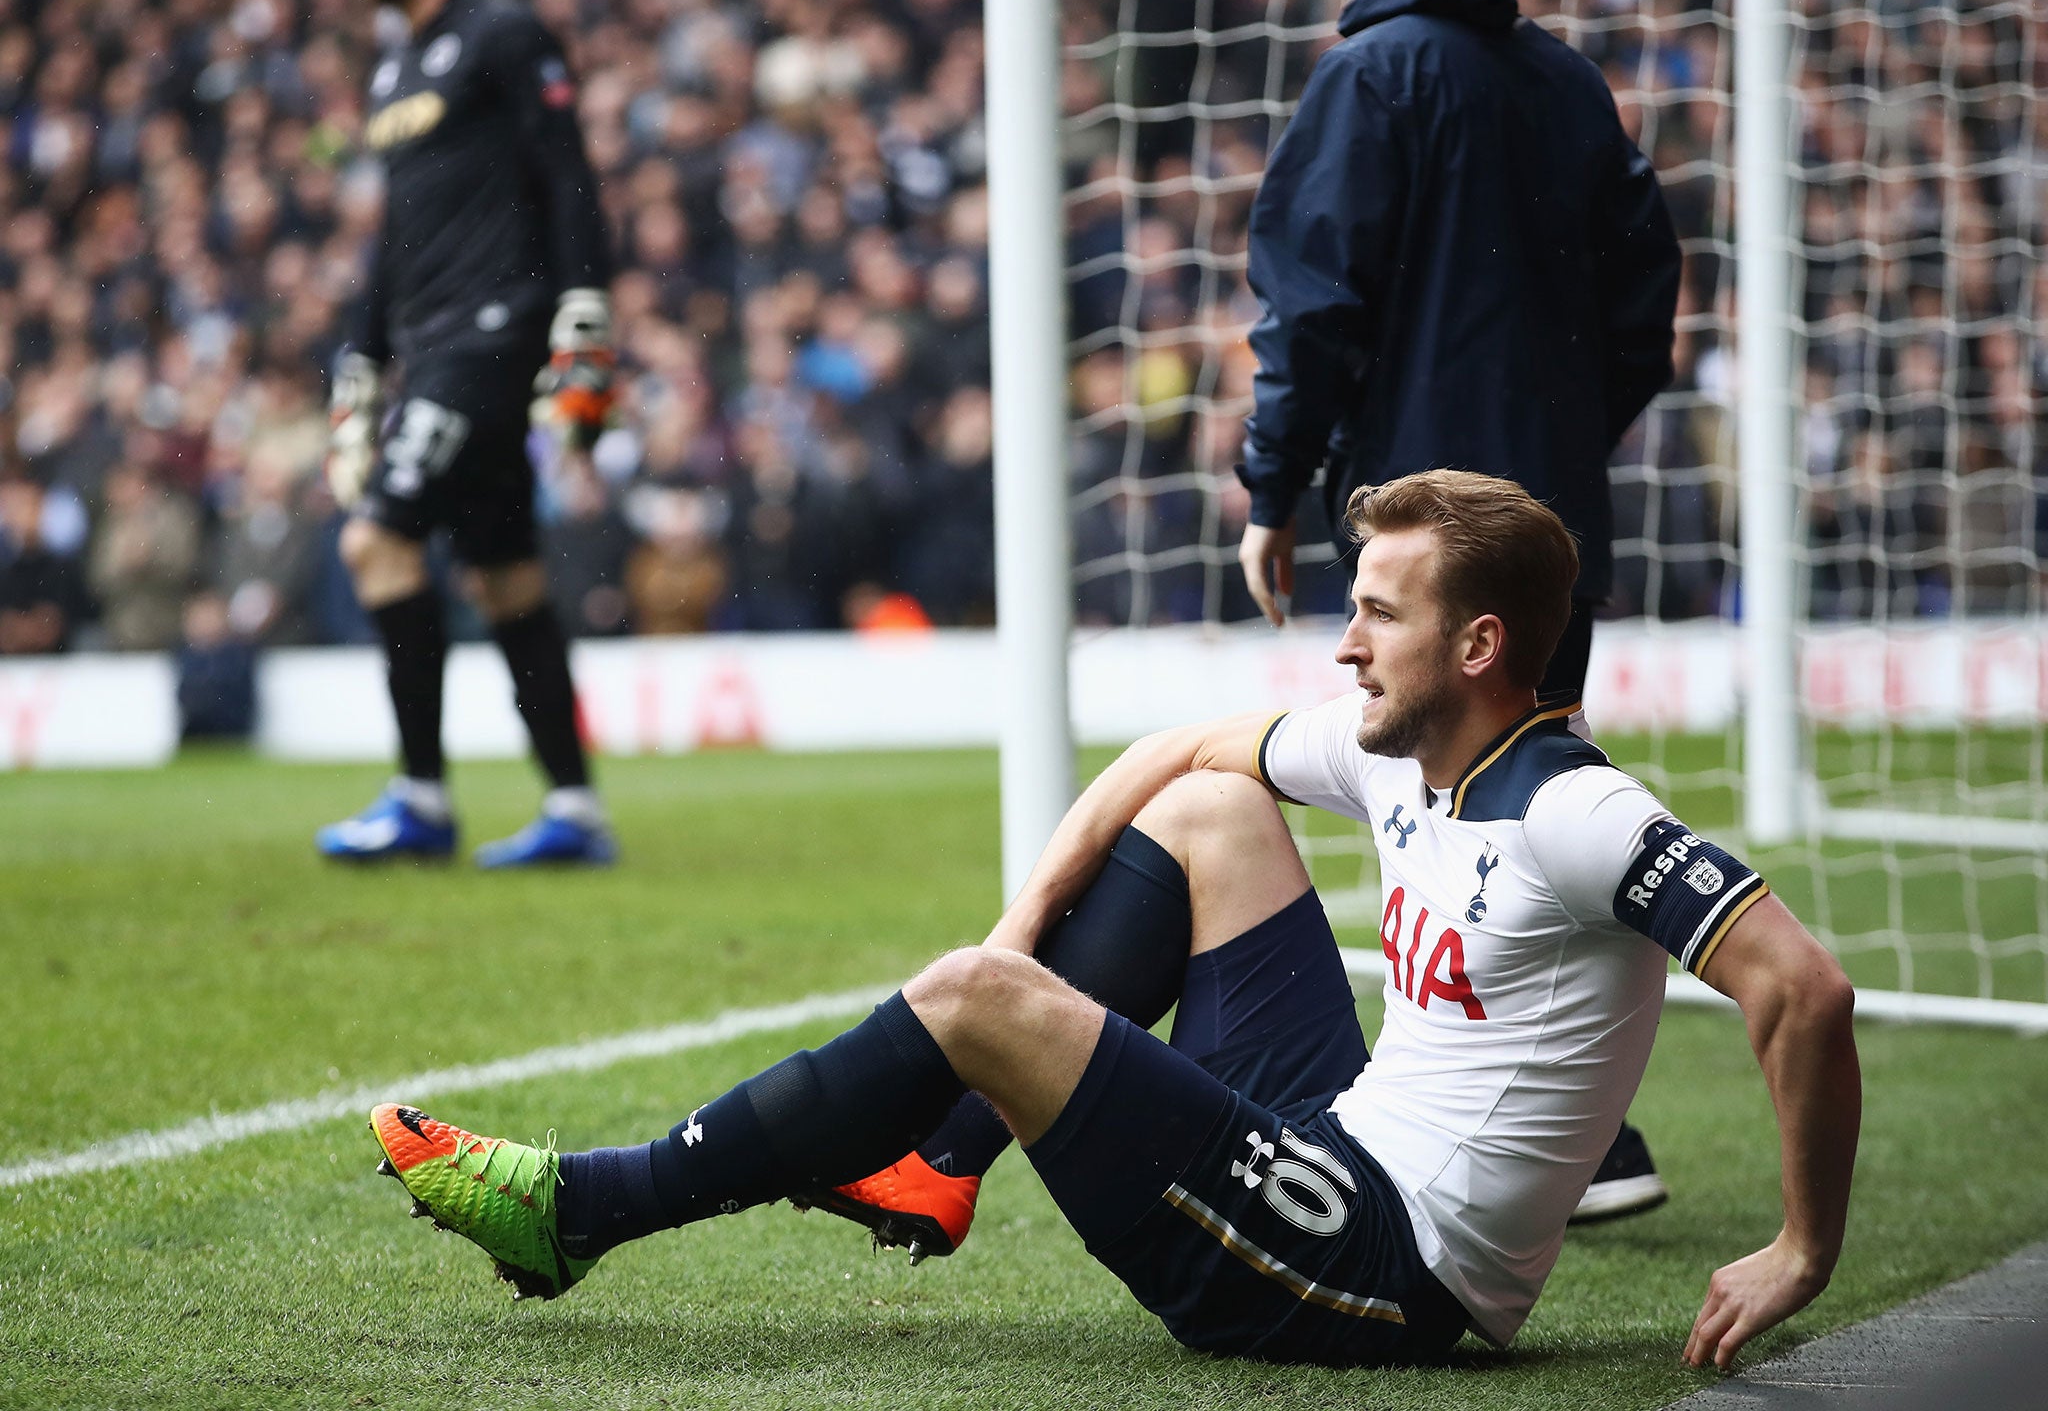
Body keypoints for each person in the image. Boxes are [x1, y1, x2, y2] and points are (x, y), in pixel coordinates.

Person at [369, 471, 1859, 1370]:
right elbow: (1177, 758)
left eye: (1380, 615)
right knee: (1204, 816)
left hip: (1387, 1277)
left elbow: (1804, 989)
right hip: (1337, 1143)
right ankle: (943, 1166)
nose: (1345, 642)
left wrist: (1803, 1248)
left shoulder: (1576, 814)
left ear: (1480, 645)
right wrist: (1022, 929)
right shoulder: (1404, 748)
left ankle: (588, 1208)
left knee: (967, 1001)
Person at [1232, 0, 1685, 1217]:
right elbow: (1643, 305)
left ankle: (1524, 1151)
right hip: (1543, 528)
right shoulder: (1567, 84)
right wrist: (1552, 454)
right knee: (1533, 807)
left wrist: (1272, 484)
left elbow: (1311, 306)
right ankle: (1587, 1140)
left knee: (1441, 819)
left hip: (1423, 533)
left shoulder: (1369, 77)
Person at [316, 0, 619, 867]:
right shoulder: (393, 70)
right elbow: (395, 236)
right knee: (505, 580)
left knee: (377, 543)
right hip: (432, 340)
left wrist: (584, 310)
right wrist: (361, 358)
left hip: (493, 334)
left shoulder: (501, 34)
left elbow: (568, 173)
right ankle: (574, 809)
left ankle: (421, 801)